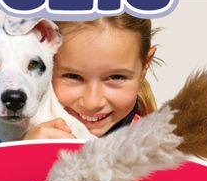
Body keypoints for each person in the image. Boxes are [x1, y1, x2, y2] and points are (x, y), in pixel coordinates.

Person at [23, 14, 158, 141]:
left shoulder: (158, 150)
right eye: (73, 76)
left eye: (116, 77)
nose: (92, 103)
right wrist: (22, 152)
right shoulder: (15, 137)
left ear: (144, 67)